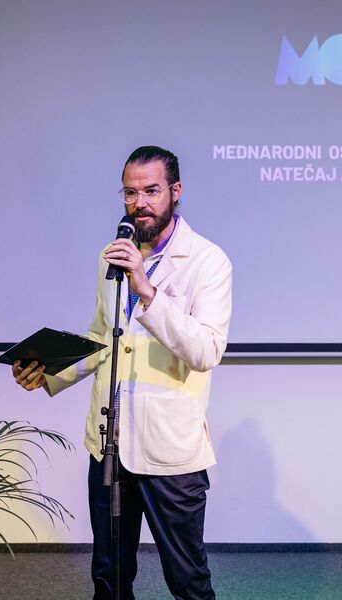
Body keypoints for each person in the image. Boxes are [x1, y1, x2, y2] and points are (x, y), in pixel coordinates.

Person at [12, 146, 232, 600]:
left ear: (175, 191)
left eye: (151, 191)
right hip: (109, 442)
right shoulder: (110, 256)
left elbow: (206, 351)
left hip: (170, 450)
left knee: (188, 580)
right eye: (130, 193)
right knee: (110, 578)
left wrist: (147, 291)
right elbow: (104, 337)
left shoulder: (208, 261)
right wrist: (49, 373)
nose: (139, 203)